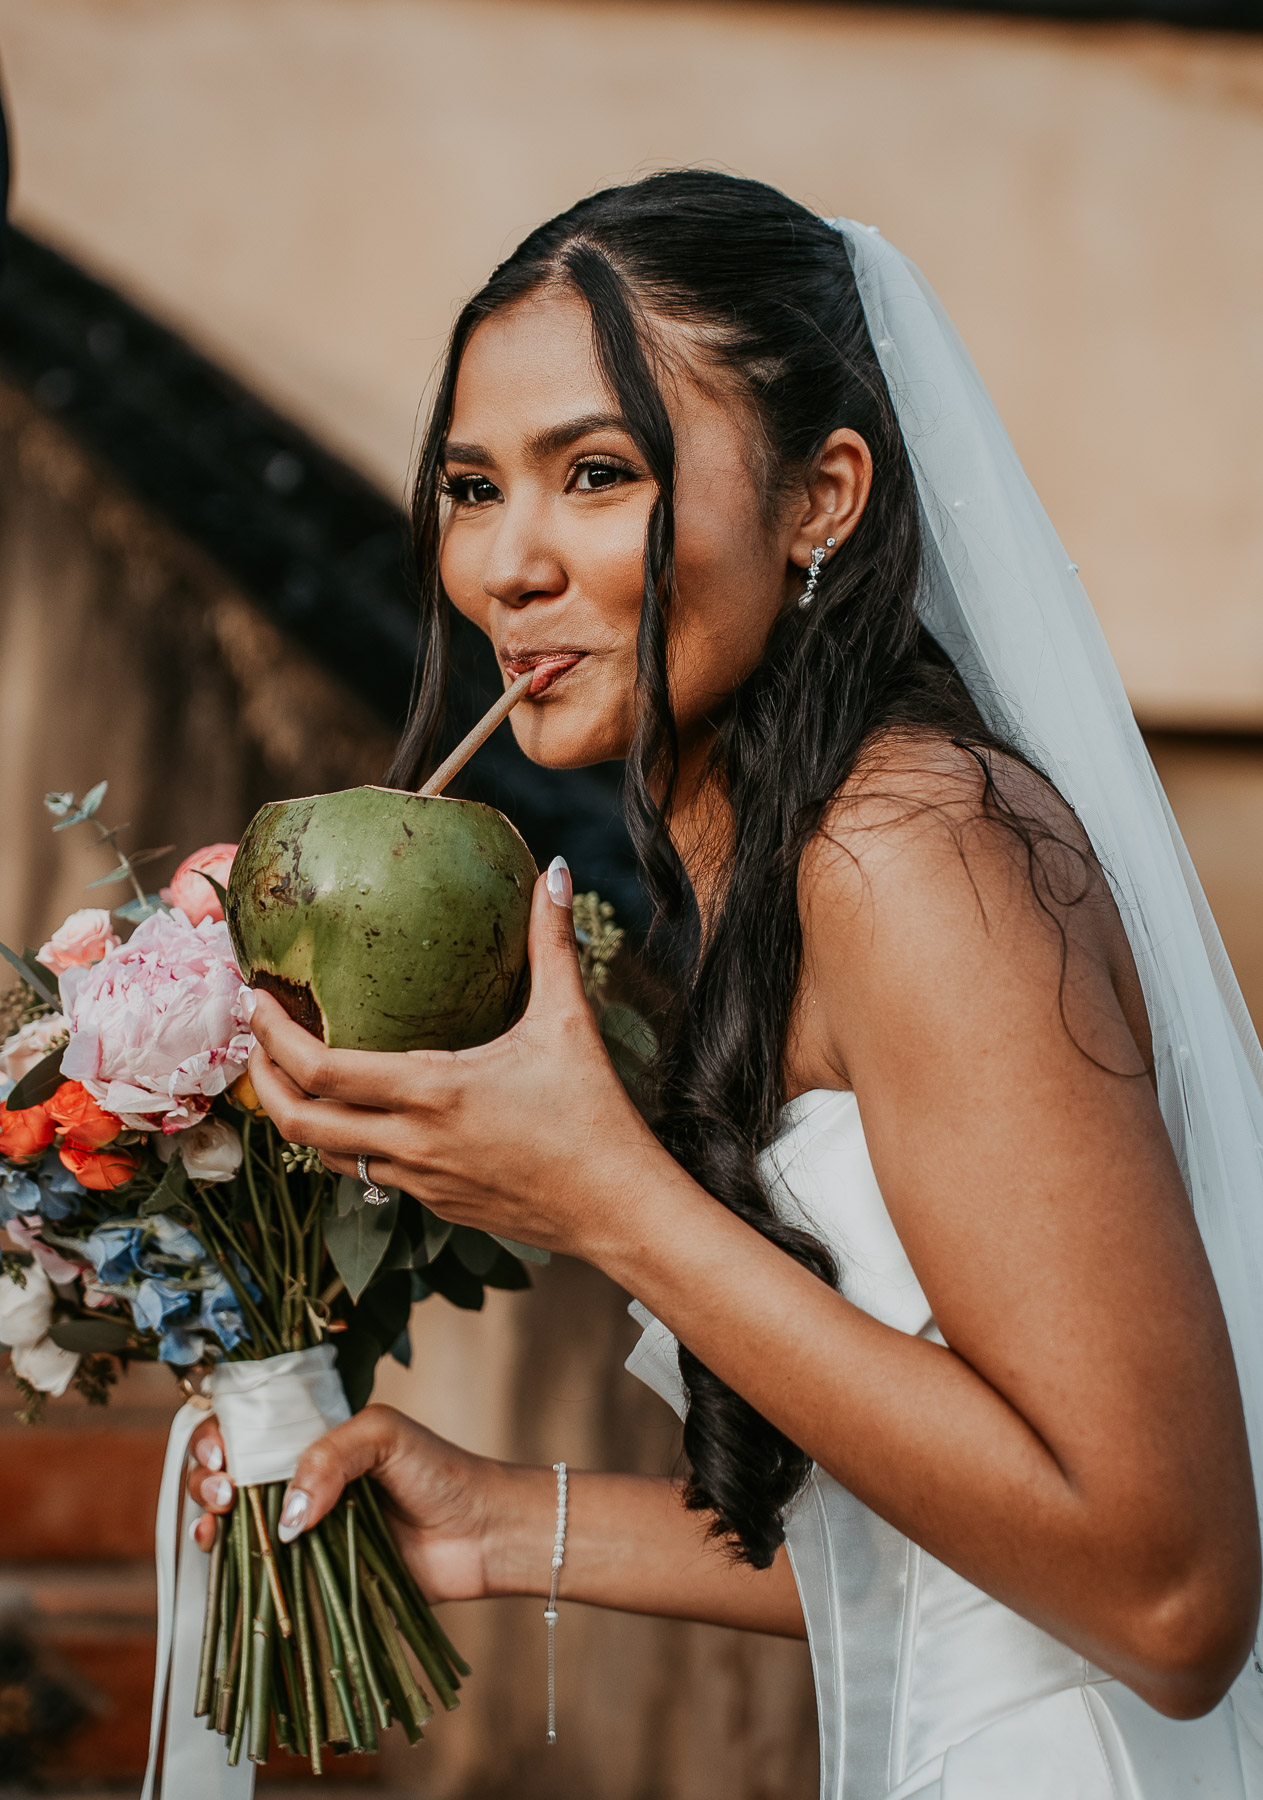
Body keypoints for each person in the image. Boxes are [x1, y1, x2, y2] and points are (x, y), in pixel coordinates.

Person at [188, 172, 1263, 1796]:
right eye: (473, 488)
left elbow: (1172, 1601)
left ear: (822, 496)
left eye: (599, 475)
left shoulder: (909, 848)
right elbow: (966, 1559)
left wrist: (610, 1197)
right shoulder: (771, 859)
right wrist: (507, 1517)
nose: (506, 565)